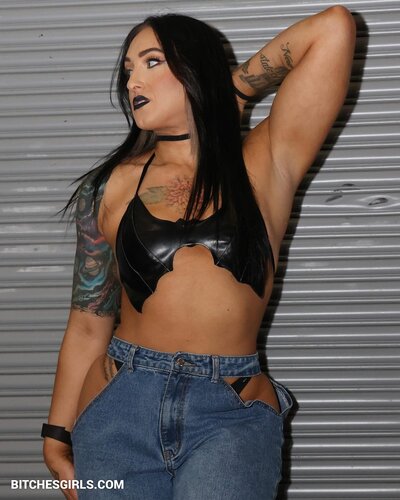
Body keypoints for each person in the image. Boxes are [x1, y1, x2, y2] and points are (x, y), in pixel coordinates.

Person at [42, 6, 355, 500]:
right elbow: (87, 321)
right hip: (119, 406)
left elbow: (333, 28)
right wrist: (57, 435)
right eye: (127, 69)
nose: (132, 81)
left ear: (194, 69)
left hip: (230, 411)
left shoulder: (265, 161)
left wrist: (229, 92)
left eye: (151, 62)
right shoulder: (108, 187)